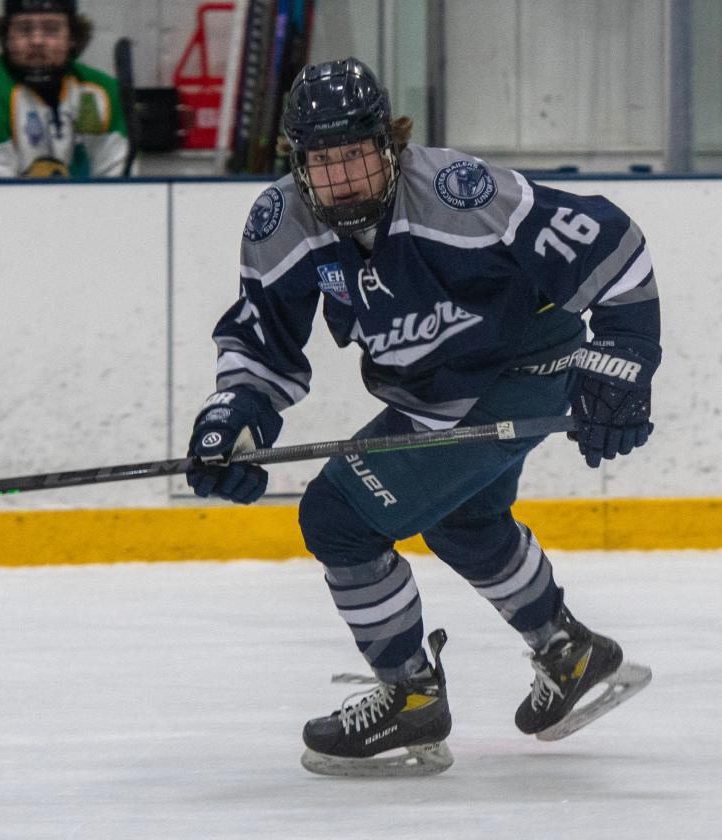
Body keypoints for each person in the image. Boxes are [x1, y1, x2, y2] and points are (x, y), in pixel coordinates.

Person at [186, 58, 659, 777]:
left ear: (389, 145)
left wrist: (623, 356)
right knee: (460, 519)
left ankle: (410, 697)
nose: (342, 177)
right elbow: (261, 342)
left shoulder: (455, 194)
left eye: (355, 155)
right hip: (437, 392)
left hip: (523, 369)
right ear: (298, 163)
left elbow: (610, 242)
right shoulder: (283, 223)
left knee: (339, 517)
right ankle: (572, 653)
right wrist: (235, 416)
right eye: (324, 161)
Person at [0, 0, 129, 178]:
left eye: (51, 30)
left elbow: (117, 183)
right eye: (24, 29)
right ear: (5, 38)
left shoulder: (102, 91)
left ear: (72, 37)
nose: (37, 40)